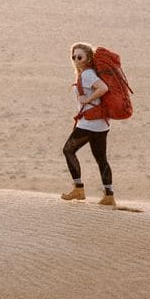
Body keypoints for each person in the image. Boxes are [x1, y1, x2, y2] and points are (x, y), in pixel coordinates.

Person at [61, 43, 115, 206]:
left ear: (88, 58)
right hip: (101, 124)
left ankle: (78, 189)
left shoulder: (88, 75)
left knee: (68, 150)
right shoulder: (87, 74)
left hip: (89, 123)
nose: (76, 60)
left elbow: (103, 88)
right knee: (101, 158)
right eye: (74, 57)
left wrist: (87, 99)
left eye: (80, 57)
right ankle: (109, 195)